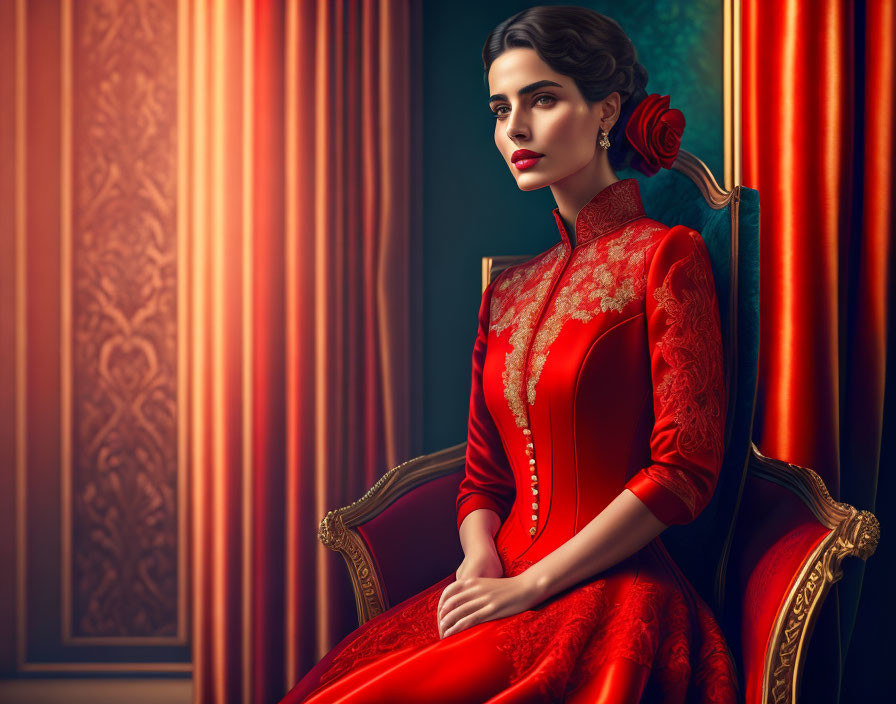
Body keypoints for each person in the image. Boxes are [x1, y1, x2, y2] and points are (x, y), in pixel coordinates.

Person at [280, 5, 738, 702]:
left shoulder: (665, 256)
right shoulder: (508, 293)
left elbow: (683, 471)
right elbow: (483, 477)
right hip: (496, 582)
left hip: (610, 594)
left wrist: (533, 585)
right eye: (500, 109)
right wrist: (480, 560)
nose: (514, 129)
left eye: (543, 99)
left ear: (606, 108)